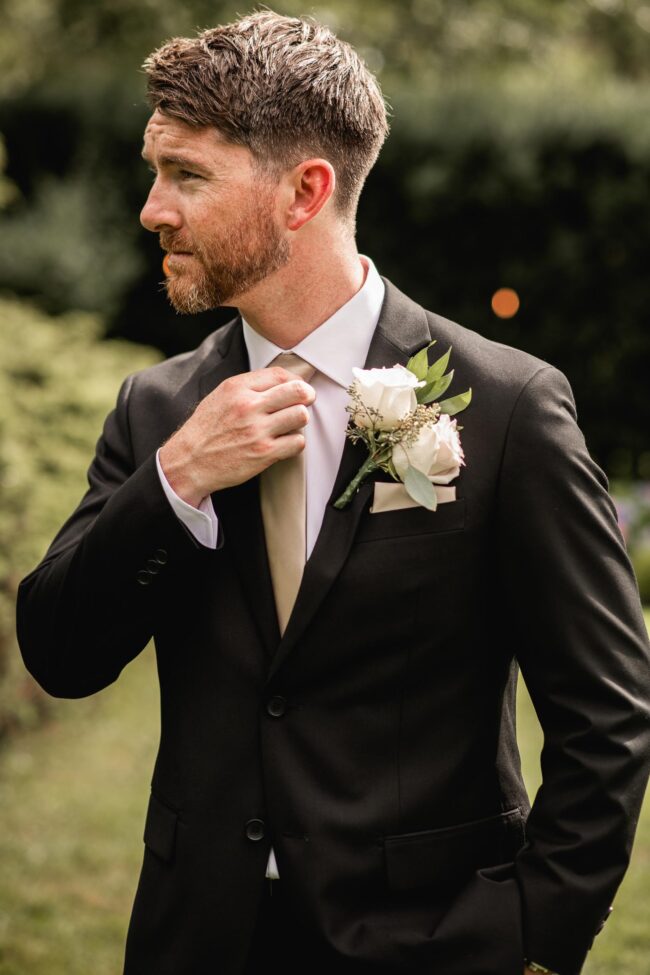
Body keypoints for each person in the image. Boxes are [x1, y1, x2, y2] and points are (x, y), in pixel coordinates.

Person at [15, 9, 650, 975]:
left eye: (188, 175)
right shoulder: (156, 410)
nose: (152, 207)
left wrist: (533, 935)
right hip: (197, 942)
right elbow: (59, 654)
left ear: (305, 190)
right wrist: (176, 480)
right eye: (157, 172)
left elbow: (608, 713)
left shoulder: (510, 408)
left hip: (430, 945)